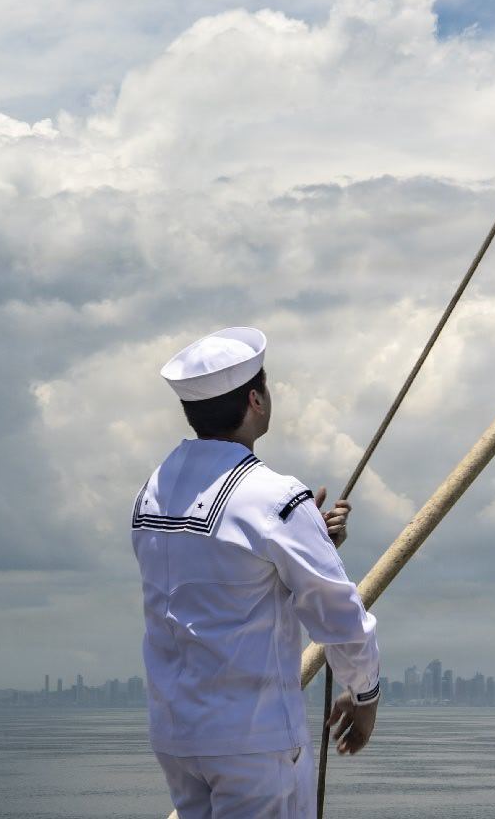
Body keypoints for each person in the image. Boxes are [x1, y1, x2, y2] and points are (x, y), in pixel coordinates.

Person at [134, 326, 381, 819]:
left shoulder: (151, 493)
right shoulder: (275, 497)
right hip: (253, 742)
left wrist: (308, 534)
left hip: (178, 737)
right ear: (256, 399)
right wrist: (364, 692)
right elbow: (336, 611)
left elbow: (213, 577)